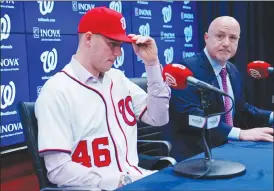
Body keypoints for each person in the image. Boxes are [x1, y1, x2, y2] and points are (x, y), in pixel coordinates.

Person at [35, 7, 171, 191]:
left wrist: (152, 64)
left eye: (120, 45)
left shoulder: (118, 78)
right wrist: (114, 181)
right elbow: (58, 169)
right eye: (112, 43)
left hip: (137, 179)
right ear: (88, 38)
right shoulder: (56, 90)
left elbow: (158, 118)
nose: (118, 53)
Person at [168, 16, 274, 161]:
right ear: (206, 37)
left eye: (233, 38)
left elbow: (242, 108)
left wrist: (271, 116)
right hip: (196, 154)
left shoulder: (233, 70)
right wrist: (238, 133)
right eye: (220, 36)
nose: (226, 43)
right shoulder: (187, 71)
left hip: (229, 149)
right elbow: (191, 116)